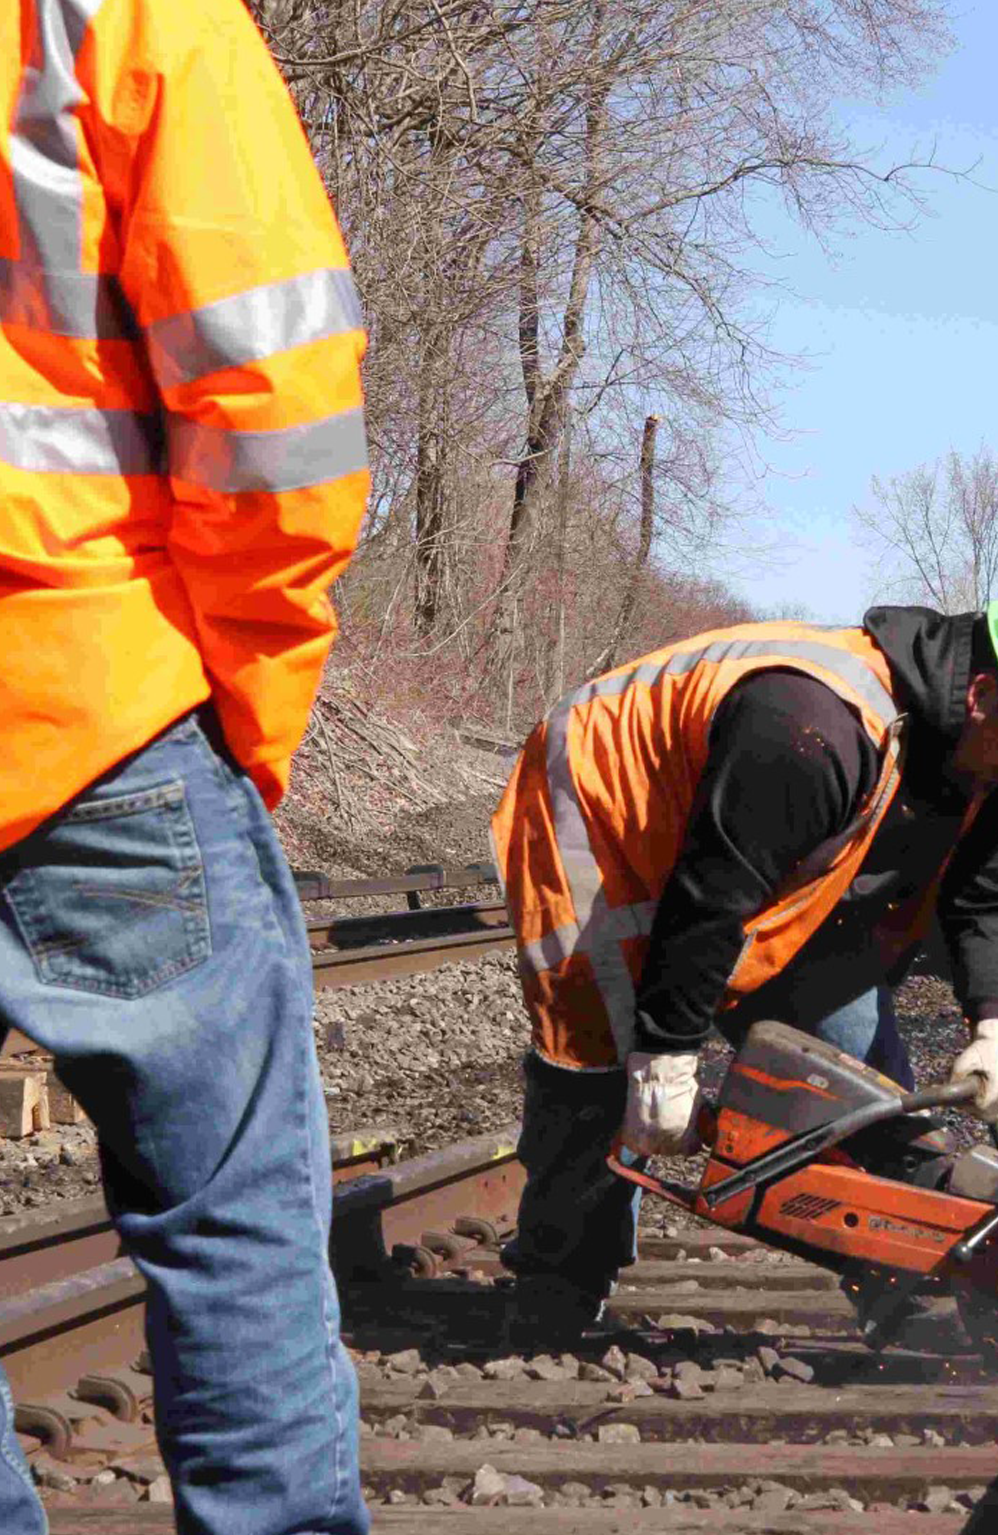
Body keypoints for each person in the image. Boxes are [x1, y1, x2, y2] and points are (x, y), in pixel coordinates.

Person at [1, 3, 370, 1532]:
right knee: (233, 1225)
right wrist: (246, 703)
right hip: (99, 692)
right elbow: (274, 395)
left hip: (107, 694)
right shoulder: (118, 15)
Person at [491, 598, 998, 1341]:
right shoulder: (809, 724)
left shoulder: (988, 756)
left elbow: (994, 893)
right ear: (981, 694)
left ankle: (904, 1280)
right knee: (598, 1051)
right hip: (604, 810)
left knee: (855, 1057)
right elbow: (710, 901)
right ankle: (558, 1284)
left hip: (741, 847)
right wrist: (666, 1056)